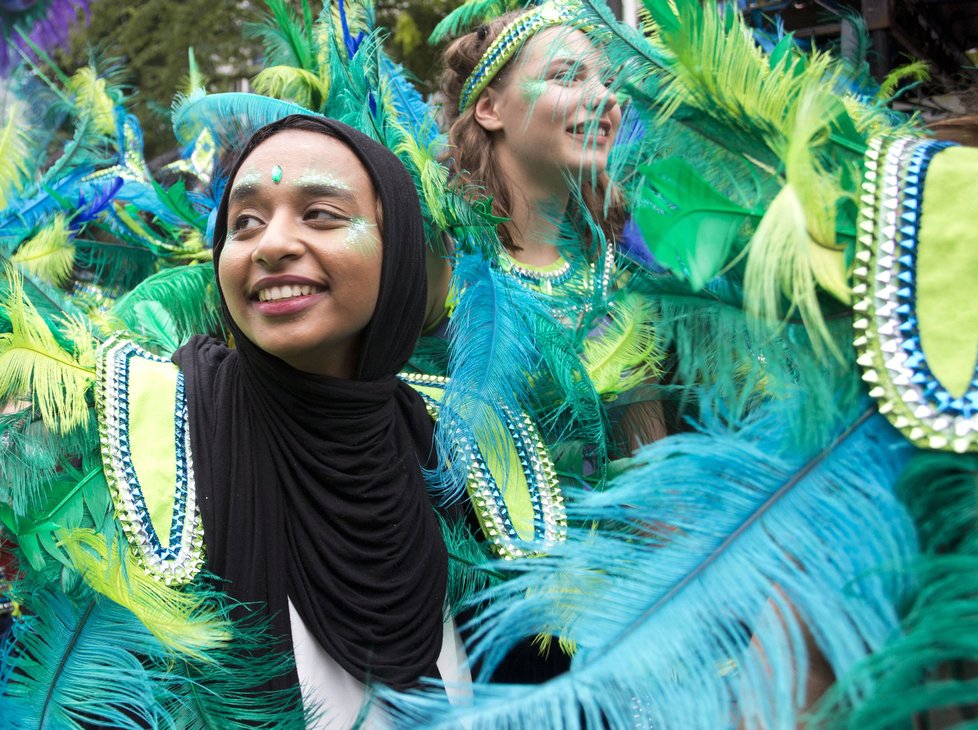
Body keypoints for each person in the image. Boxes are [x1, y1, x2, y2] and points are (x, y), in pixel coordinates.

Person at [0, 114, 467, 728]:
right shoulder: (133, 445)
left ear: (401, 250)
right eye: (244, 223)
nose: (270, 244)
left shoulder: (457, 449)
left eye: (321, 214)